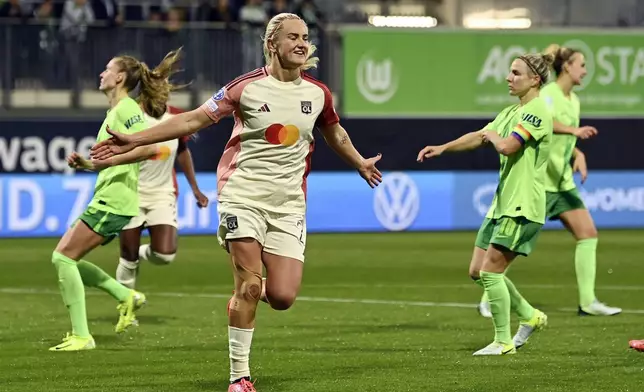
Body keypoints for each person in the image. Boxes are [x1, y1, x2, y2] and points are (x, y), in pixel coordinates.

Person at [90, 13, 382, 391]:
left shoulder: (318, 94)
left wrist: (358, 161)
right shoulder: (244, 88)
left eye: (305, 38)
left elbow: (335, 132)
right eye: (292, 37)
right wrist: (137, 139)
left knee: (282, 296)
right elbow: (193, 120)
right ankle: (239, 378)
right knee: (249, 286)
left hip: (289, 204)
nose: (301, 44)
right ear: (272, 43)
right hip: (241, 196)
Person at [417, 51, 554, 356]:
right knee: (478, 271)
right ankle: (530, 315)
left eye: (516, 73)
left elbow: (506, 146)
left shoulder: (537, 112)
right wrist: (443, 148)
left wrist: (492, 135)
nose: (509, 77)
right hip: (501, 205)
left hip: (522, 206)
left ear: (535, 80)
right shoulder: (509, 113)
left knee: (491, 272)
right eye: (510, 72)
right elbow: (479, 137)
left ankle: (503, 342)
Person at [476, 44, 621, 319]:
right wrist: (574, 131)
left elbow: (558, 135)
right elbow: (545, 121)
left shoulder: (574, 100)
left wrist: (576, 151)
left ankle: (588, 302)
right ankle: (489, 294)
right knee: (509, 245)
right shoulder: (550, 94)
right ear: (567, 67)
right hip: (540, 184)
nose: (585, 71)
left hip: (562, 182)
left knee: (588, 233)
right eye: (581, 65)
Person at [51, 49, 182, 352]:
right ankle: (125, 295)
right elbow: (119, 156)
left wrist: (110, 162)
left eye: (107, 69)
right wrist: (88, 165)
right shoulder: (115, 112)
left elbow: (152, 148)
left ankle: (83, 335)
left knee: (63, 258)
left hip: (115, 201)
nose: (102, 74)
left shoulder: (125, 108)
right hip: (109, 197)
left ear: (120, 77)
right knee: (67, 258)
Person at [115, 102, 210, 292]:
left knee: (165, 254)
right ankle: (126, 310)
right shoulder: (130, 115)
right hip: (131, 192)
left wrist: (195, 188)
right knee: (128, 258)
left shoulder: (175, 115)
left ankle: (137, 252)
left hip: (162, 193)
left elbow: (183, 151)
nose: (162, 90)